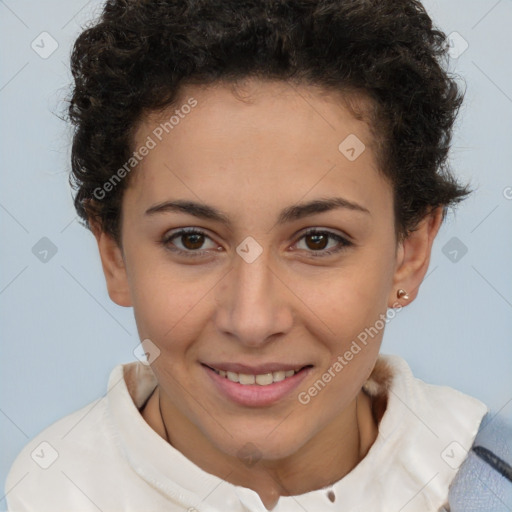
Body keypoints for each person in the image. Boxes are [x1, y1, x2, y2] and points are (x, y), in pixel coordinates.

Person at [5, 0, 512, 510]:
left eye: (318, 240)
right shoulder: (50, 491)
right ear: (113, 254)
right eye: (191, 240)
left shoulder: (489, 477)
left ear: (411, 251)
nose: (252, 321)